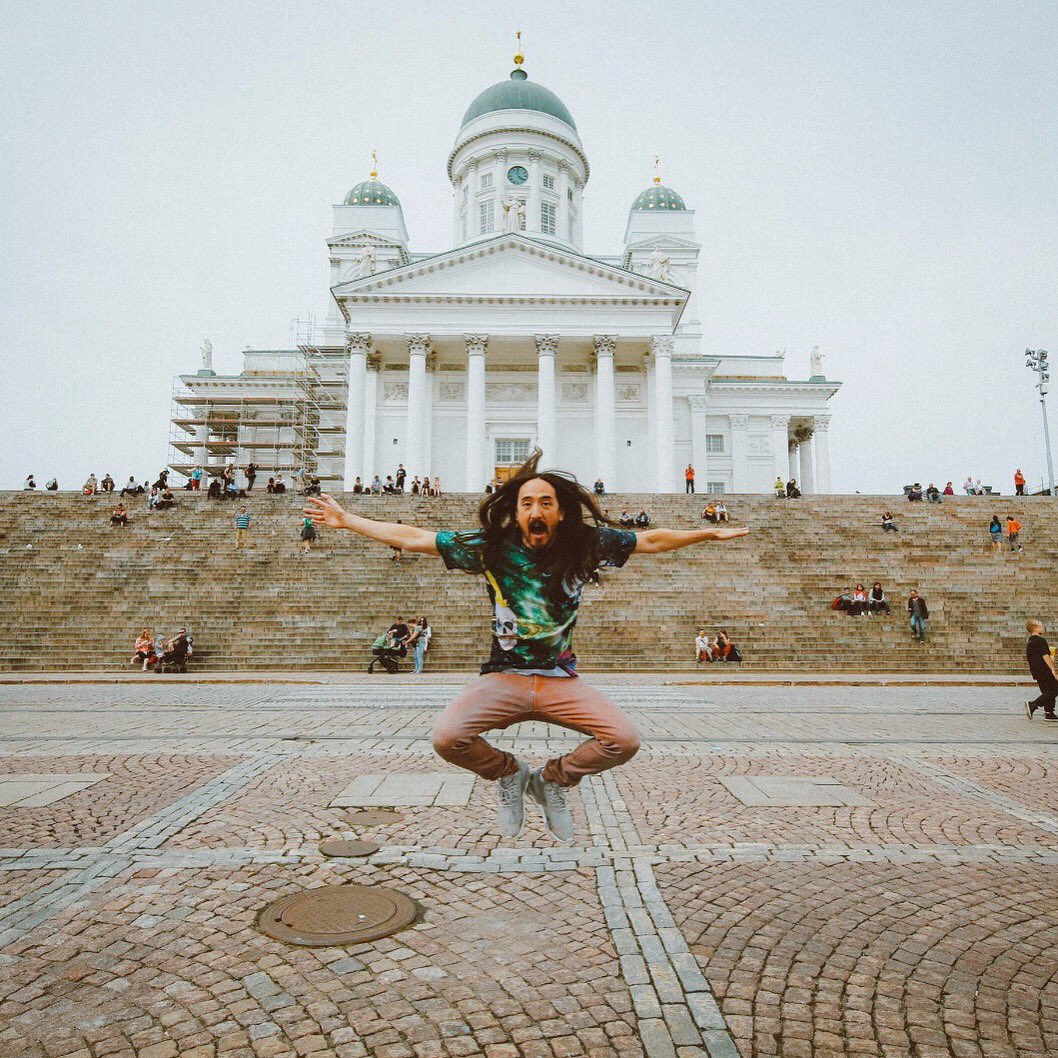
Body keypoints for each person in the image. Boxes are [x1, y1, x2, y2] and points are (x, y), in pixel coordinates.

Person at [305, 449, 748, 840]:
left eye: (546, 502)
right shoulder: (492, 548)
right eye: (527, 502)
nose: (536, 510)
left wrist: (706, 533)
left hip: (560, 680)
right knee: (447, 738)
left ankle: (553, 780)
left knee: (623, 740)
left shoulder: (587, 544)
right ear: (516, 513)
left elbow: (650, 539)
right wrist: (348, 521)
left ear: (559, 513)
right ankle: (511, 773)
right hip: (504, 678)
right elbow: (416, 538)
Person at [1024, 619, 1058, 721]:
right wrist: (1053, 669)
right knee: (1054, 689)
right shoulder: (1040, 640)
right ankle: (1033, 705)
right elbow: (1045, 656)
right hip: (1044, 669)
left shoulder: (1030, 642)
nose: (1042, 628)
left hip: (1036, 670)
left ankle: (1049, 712)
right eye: (1040, 626)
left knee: (1047, 691)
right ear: (1035, 628)